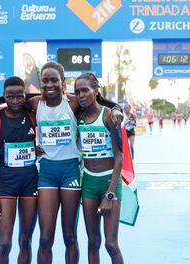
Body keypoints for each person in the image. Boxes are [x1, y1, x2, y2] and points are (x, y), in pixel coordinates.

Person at [28, 62, 122, 264]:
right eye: (45, 80)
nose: (49, 84)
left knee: (70, 235)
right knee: (45, 238)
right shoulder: (35, 104)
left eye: (54, 80)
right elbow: (13, 104)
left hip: (71, 171)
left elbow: (100, 101)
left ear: (63, 83)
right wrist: (30, 145)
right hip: (46, 172)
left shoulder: (73, 103)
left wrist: (118, 108)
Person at [0, 76, 38, 264]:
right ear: (3, 96)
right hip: (6, 183)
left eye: (19, 97)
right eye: (9, 97)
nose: (15, 101)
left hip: (30, 181)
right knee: (5, 243)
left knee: (26, 241)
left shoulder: (33, 114)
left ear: (25, 96)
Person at [75, 72, 124, 264]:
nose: (80, 95)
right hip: (88, 182)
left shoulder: (108, 116)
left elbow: (119, 157)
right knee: (93, 241)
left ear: (96, 91)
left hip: (109, 182)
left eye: (85, 90)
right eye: (77, 92)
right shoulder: (79, 115)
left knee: (111, 244)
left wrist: (109, 194)